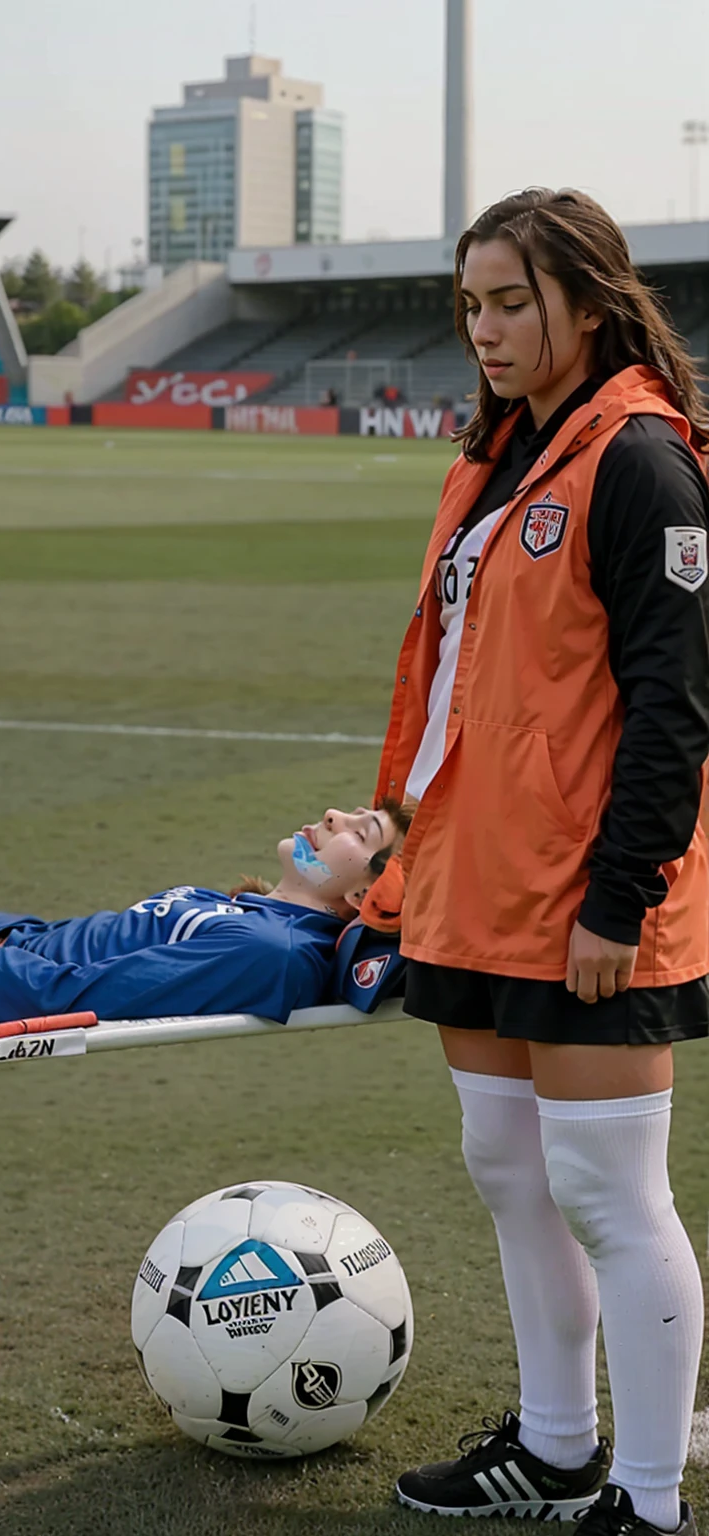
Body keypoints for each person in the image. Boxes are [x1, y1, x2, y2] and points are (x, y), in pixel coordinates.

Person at [375, 189, 709, 1535]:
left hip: (589, 903)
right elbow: (462, 689)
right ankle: (560, 1448)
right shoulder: (504, 457)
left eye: (512, 301)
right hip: (482, 889)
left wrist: (617, 899)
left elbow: (674, 706)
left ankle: (645, 1496)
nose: (487, 329)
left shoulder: (639, 460)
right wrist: (399, 843)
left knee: (609, 1193)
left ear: (588, 297)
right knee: (512, 1173)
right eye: (471, 305)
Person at [0, 802, 409, 1026]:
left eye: (360, 833)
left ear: (367, 898)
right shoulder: (252, 912)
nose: (334, 814)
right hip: (16, 941)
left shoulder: (268, 951)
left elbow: (77, 1001)